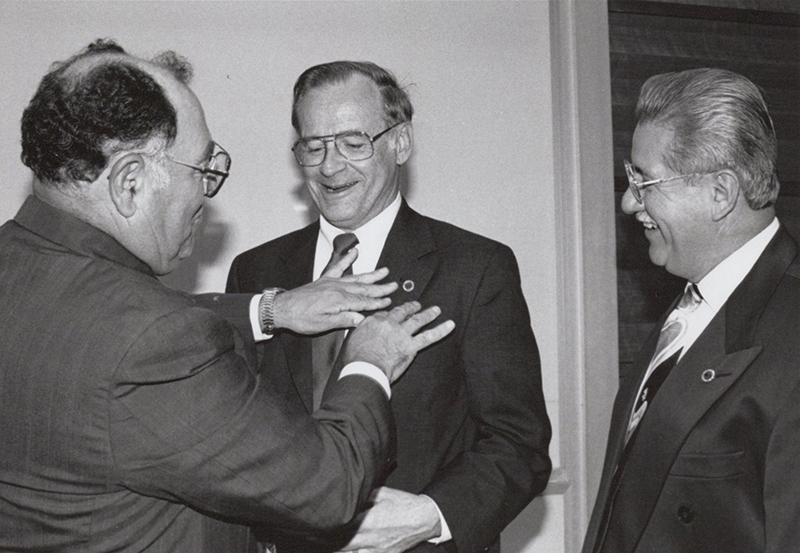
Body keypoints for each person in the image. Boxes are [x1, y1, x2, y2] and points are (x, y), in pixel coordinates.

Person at [0, 40, 455, 552]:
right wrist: (368, 361)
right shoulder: (154, 338)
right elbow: (329, 486)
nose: (205, 196)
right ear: (129, 182)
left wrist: (272, 310)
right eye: (201, 170)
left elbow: (95, 325)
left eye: (352, 142)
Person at [227, 61, 551, 553]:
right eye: (313, 147)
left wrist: (428, 516)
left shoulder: (475, 267)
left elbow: (519, 445)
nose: (330, 167)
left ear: (400, 142)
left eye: (353, 143)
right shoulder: (255, 271)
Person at [583, 68, 800, 553]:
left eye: (645, 180)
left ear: (720, 193)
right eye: (629, 176)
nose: (627, 201)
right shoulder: (691, 302)